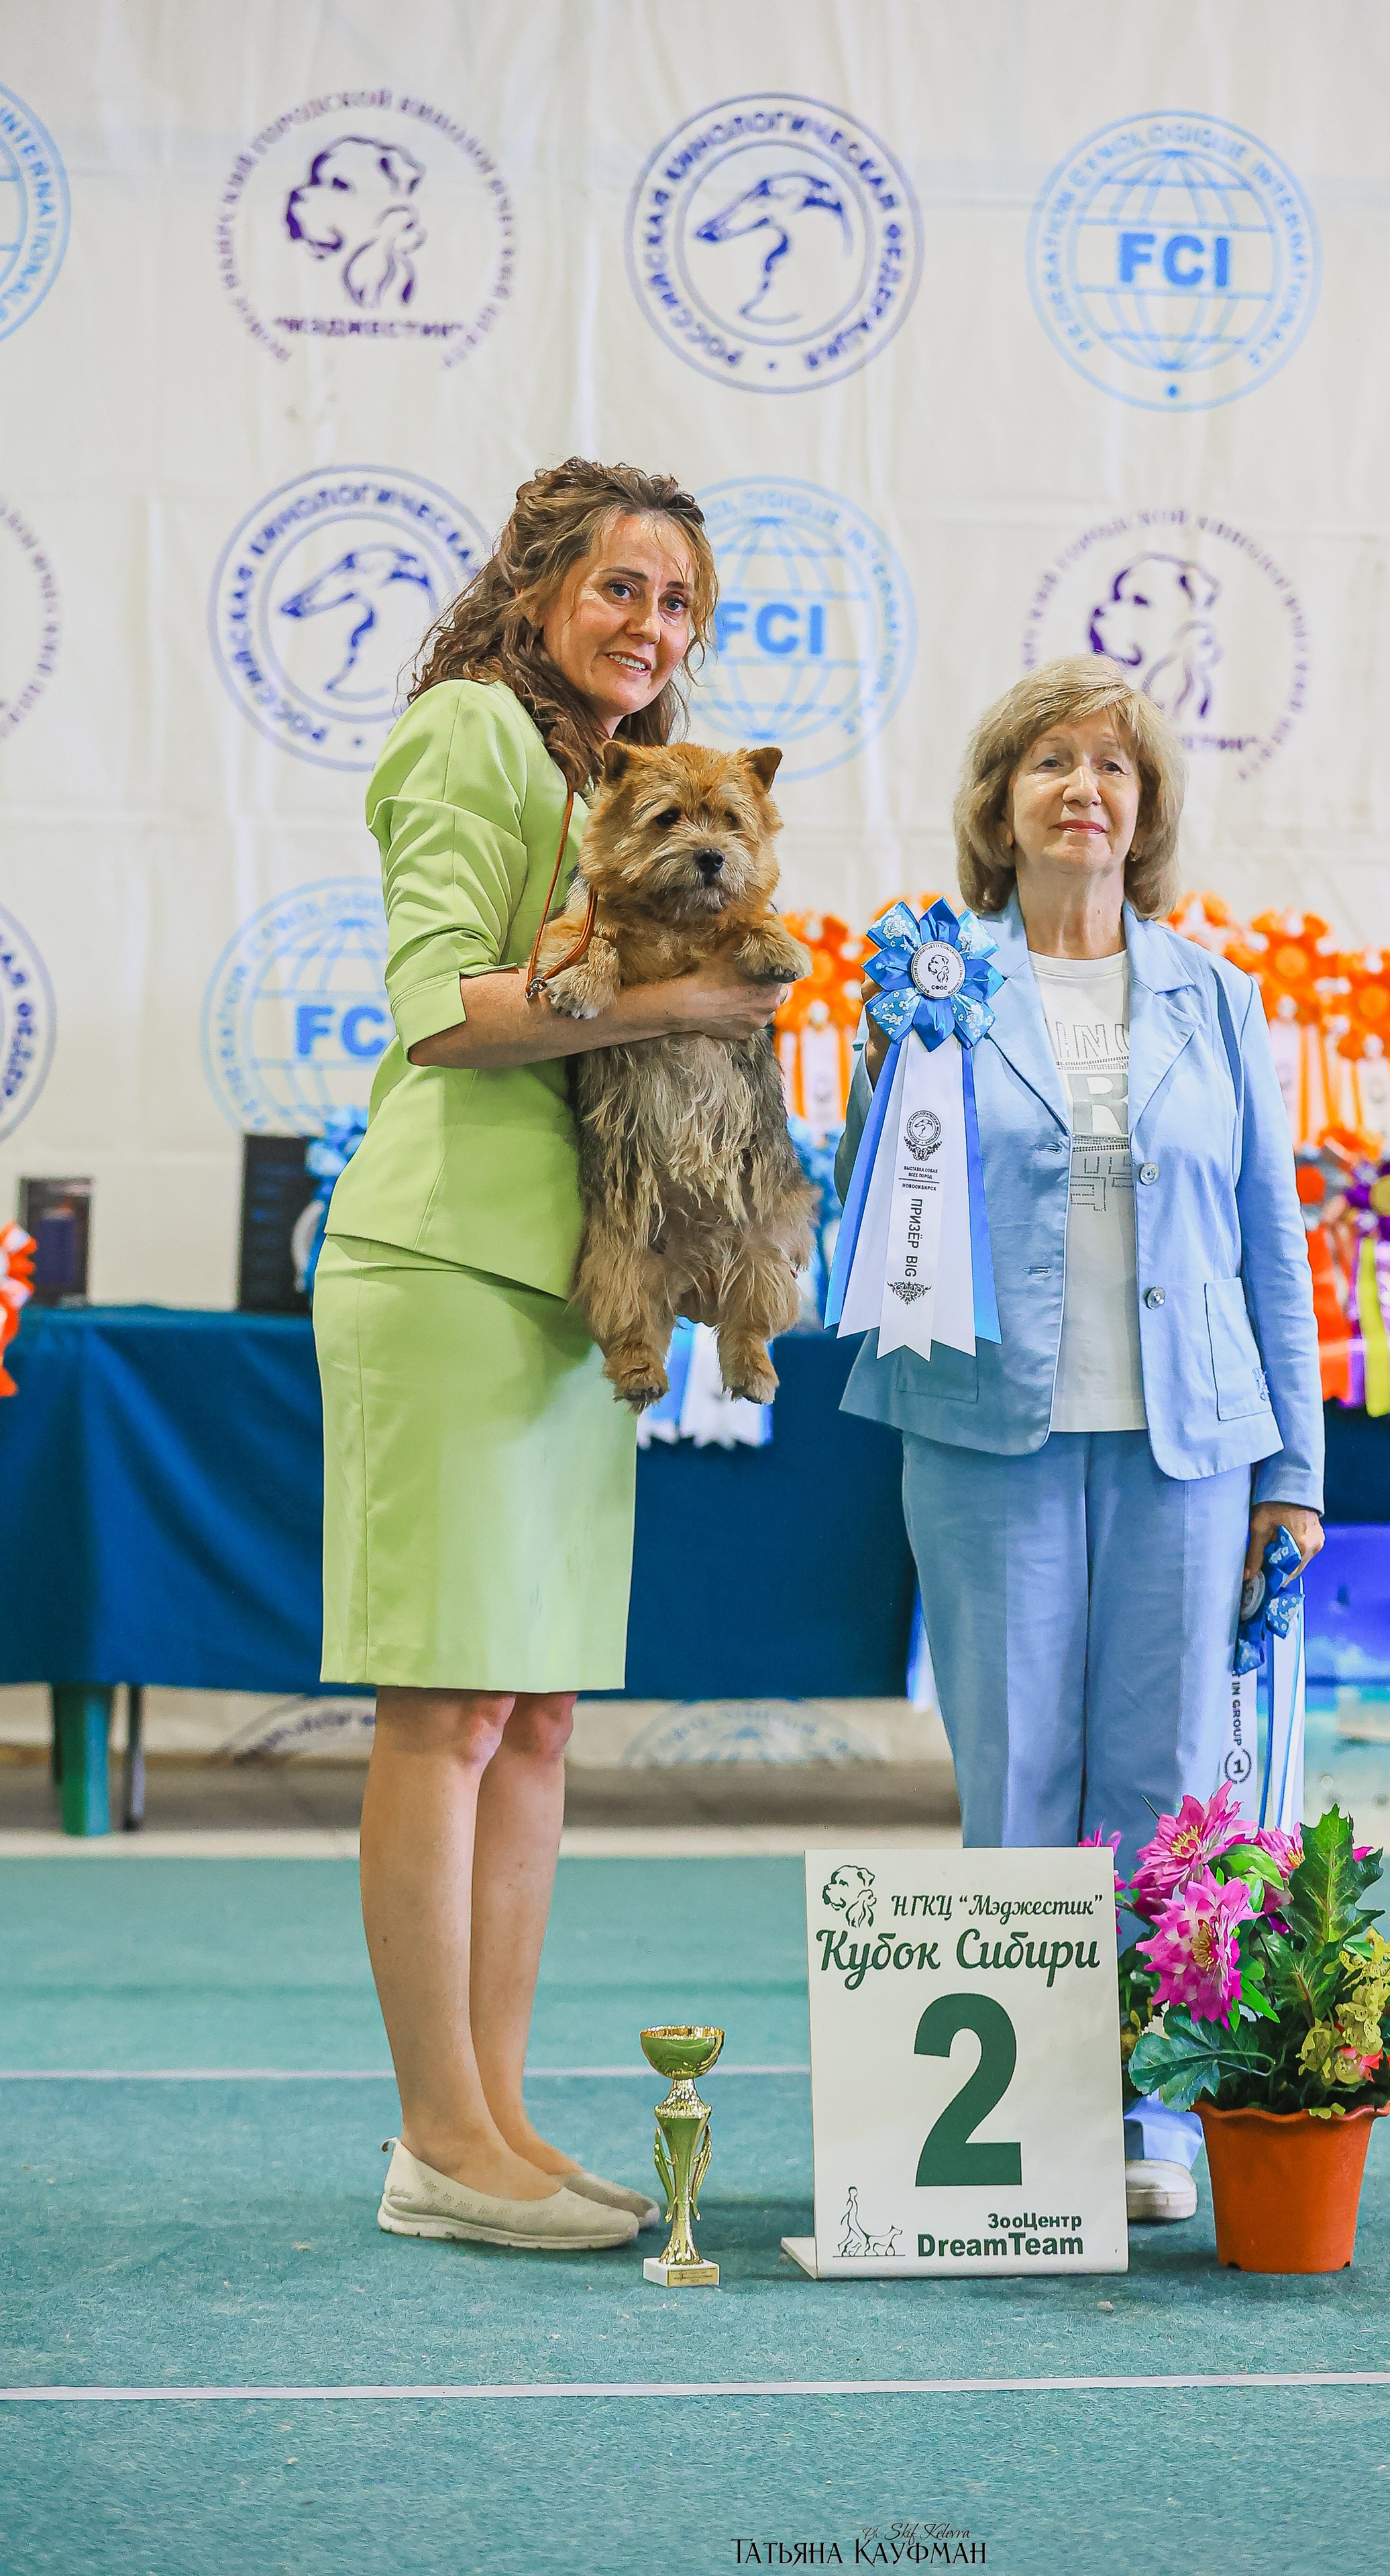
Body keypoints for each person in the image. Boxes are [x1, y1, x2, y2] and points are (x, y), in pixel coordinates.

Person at [314, 458, 794, 2251]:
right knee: (444, 1710)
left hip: (581, 1287)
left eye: (678, 604)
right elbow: (442, 1009)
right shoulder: (466, 732)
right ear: (534, 594)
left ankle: (500, 2120)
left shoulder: (627, 782)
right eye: (619, 590)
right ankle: (438, 2136)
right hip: (446, 1262)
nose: (650, 628)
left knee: (533, 1719)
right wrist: (687, 996)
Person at [833, 657, 1324, 2226]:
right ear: (998, 807)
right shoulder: (930, 984)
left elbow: (1269, 1245)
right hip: (985, 1438)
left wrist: (1292, 1473)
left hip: (1192, 1447)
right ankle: (1027, 2126)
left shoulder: (1214, 995)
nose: (1082, 789)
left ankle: (1156, 2123)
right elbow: (875, 1219)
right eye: (1049, 761)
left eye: (1111, 768)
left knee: (1167, 1789)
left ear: (1144, 812)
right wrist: (877, 1059)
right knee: (1017, 1776)